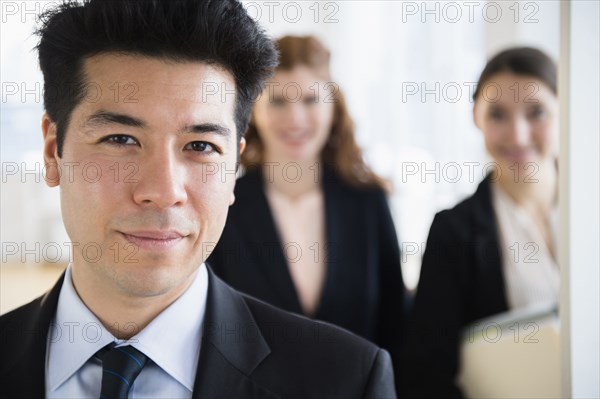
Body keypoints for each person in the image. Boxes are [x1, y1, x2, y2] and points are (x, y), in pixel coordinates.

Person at [0, 1, 397, 398]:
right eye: (121, 140)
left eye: (201, 146)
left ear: (233, 168)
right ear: (54, 152)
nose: (164, 191)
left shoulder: (348, 380)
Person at [207, 35, 406, 389]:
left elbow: (396, 326)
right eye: (279, 100)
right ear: (254, 110)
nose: (295, 118)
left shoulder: (368, 202)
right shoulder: (224, 202)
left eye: (312, 99)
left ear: (334, 106)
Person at [402, 47, 559, 398]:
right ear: (476, 117)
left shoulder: (588, 211)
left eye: (536, 112)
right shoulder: (452, 232)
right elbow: (425, 375)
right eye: (498, 114)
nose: (517, 135)